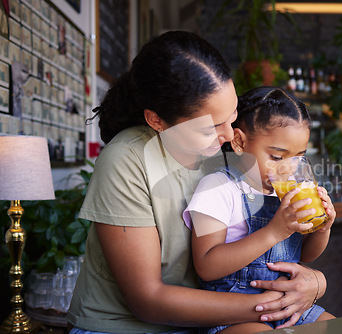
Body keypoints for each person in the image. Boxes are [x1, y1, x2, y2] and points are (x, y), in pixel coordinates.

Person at [67, 31, 328, 334]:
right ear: (157, 121)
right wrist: (279, 304)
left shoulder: (224, 155)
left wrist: (315, 283)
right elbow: (148, 300)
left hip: (209, 320)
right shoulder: (127, 160)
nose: (230, 136)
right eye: (211, 128)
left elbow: (271, 247)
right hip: (124, 328)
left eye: (231, 118)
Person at [183, 87, 336, 334]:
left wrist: (322, 228)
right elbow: (206, 266)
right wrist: (274, 232)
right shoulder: (217, 188)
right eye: (276, 157)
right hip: (235, 314)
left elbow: (305, 255)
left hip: (290, 307)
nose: (288, 169)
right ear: (239, 142)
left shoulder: (285, 192)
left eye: (299, 157)